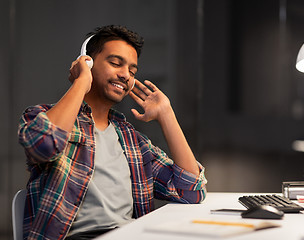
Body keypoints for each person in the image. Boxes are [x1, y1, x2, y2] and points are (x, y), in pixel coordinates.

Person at [18, 25, 207, 240]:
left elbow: (191, 192)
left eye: (132, 71)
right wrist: (81, 82)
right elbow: (44, 144)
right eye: (116, 63)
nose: (126, 75)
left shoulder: (132, 140)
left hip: (131, 234)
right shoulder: (43, 116)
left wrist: (166, 114)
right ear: (87, 63)